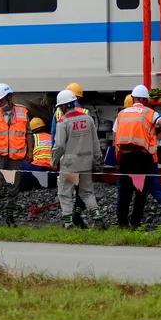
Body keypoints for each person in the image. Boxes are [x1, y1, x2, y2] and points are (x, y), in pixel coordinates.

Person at [114, 85, 161, 228]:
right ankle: (135, 223)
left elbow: (116, 138)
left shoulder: (122, 114)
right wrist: (157, 137)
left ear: (133, 99)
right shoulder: (149, 113)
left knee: (125, 192)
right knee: (140, 192)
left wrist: (118, 159)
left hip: (126, 156)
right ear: (145, 100)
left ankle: (122, 223)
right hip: (141, 157)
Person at [51, 89, 104, 230]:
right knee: (87, 192)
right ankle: (98, 218)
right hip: (86, 163)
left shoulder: (63, 122)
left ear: (63, 106)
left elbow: (59, 146)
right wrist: (98, 159)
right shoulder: (88, 119)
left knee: (65, 193)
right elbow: (95, 142)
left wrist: (53, 161)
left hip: (69, 165)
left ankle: (68, 223)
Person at [0, 83, 29, 226]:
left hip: (15, 156)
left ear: (9, 98)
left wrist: (29, 151)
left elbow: (28, 132)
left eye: (1, 100)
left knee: (13, 187)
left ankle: (10, 217)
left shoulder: (22, 111)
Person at [52, 82, 89, 229]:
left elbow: (55, 138)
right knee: (83, 189)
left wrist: (54, 159)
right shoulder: (86, 113)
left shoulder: (58, 114)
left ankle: (68, 221)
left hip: (67, 158)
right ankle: (77, 215)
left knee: (65, 190)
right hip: (83, 157)